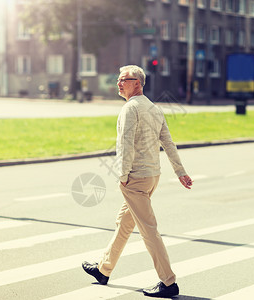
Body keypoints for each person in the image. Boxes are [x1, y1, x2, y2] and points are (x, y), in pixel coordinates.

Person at [82, 65, 193, 298]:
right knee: (124, 223)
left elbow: (125, 146)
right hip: (152, 177)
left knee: (148, 230)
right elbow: (169, 143)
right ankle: (104, 269)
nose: (119, 83)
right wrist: (180, 171)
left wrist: (122, 177)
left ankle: (168, 282)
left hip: (135, 179)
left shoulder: (130, 108)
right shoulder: (154, 109)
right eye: (118, 80)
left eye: (125, 79)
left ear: (138, 83)